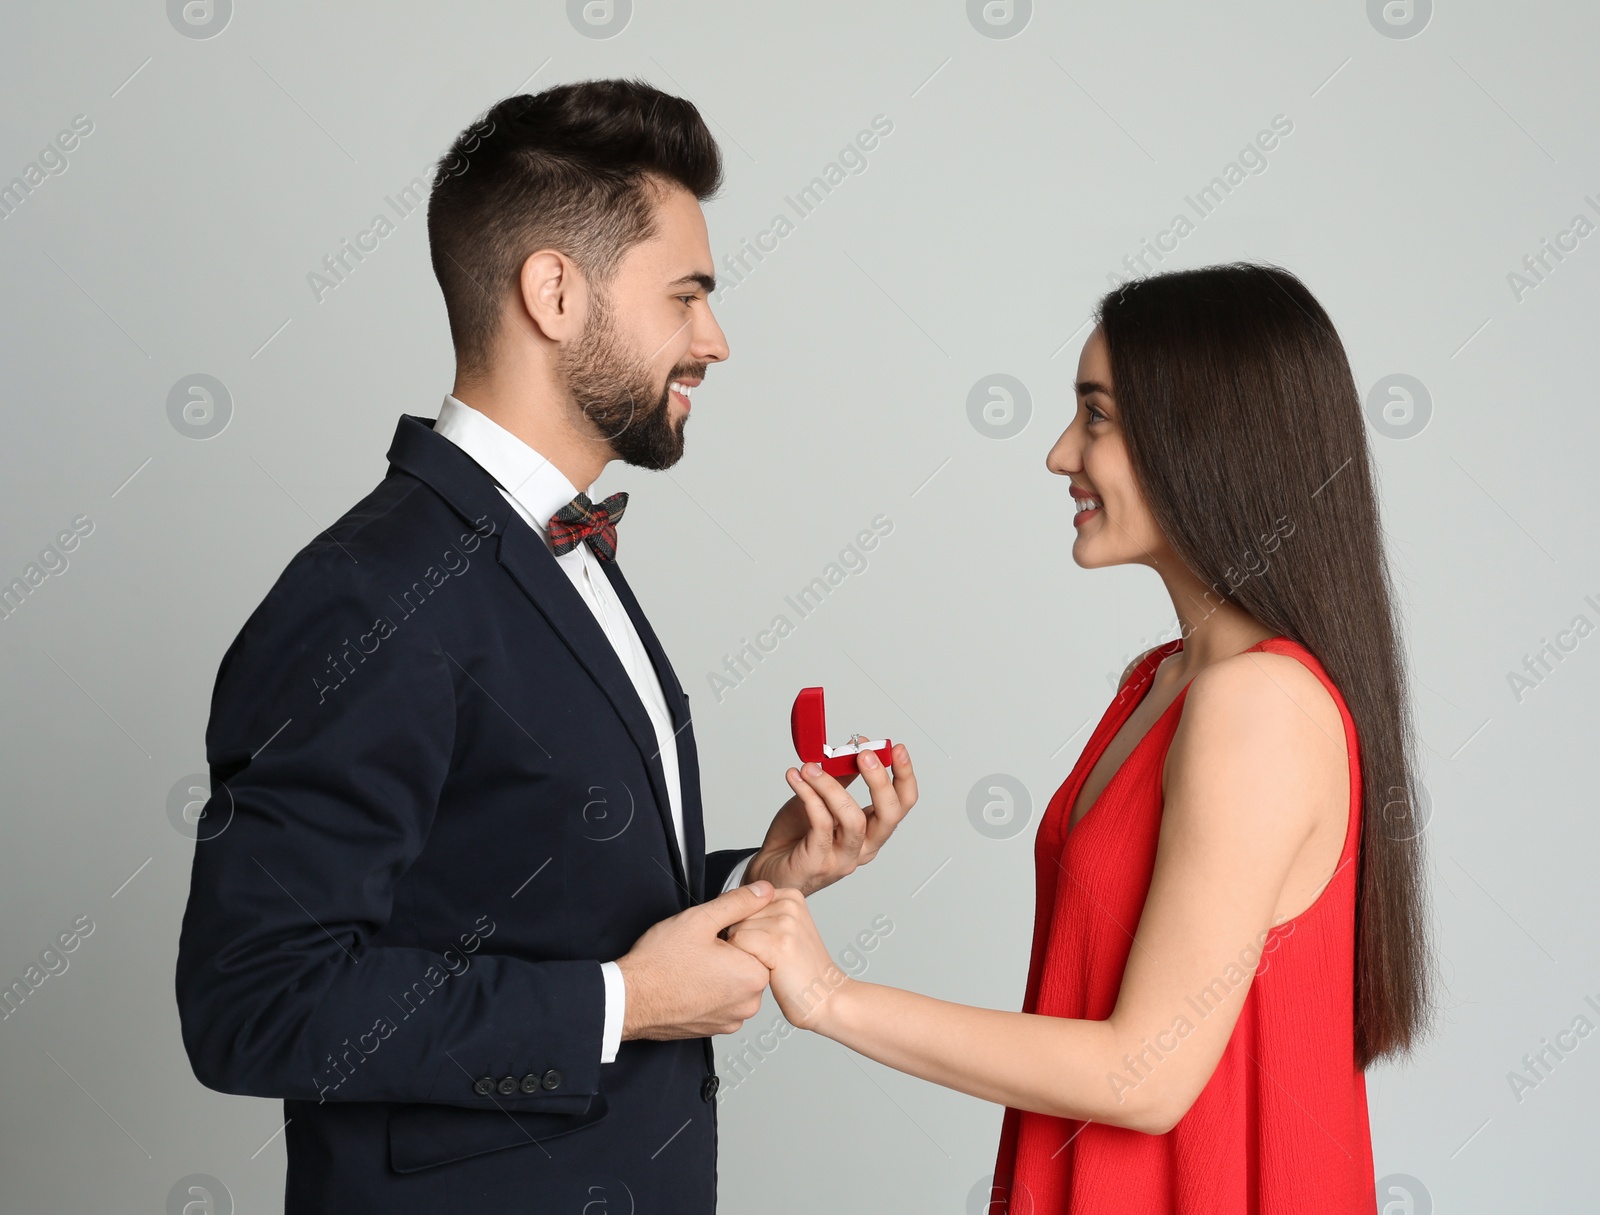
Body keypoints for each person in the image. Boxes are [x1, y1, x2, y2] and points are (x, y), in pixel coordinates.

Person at [172, 78, 916, 1214]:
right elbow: (256, 1003)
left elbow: (526, 887)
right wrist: (617, 1005)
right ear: (556, 293)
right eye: (686, 296)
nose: (714, 339)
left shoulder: (553, 549)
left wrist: (760, 880)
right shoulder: (368, 593)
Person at [727, 264, 1434, 1213]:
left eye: (1096, 415)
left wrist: (830, 996)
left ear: (1205, 437)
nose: (1061, 454)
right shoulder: (1163, 679)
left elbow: (1144, 1074)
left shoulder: (1257, 702)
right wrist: (783, 871)